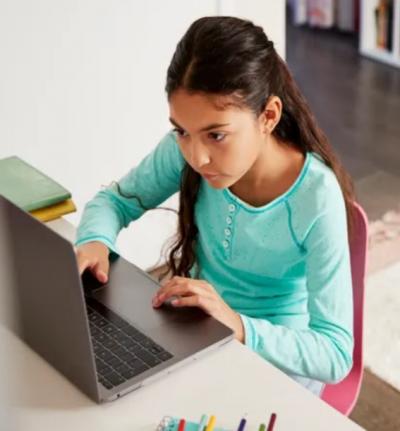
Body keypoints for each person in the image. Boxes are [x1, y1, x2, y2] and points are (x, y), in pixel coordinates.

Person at [74, 16, 356, 397]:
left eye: (216, 135)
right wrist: (94, 239)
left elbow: (335, 354)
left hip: (276, 372)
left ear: (268, 117)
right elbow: (115, 200)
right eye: (182, 131)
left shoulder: (316, 198)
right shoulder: (188, 150)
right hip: (196, 338)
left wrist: (238, 325)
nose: (196, 156)